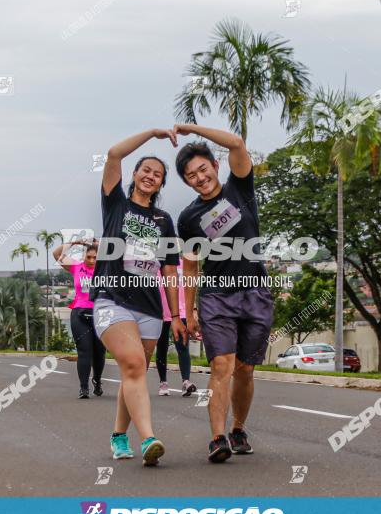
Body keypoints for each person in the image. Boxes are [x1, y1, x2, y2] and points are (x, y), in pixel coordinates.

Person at [174, 124, 273, 463]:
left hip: (255, 292)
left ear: (215, 166)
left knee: (245, 369)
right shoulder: (188, 218)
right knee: (222, 365)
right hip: (216, 297)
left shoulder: (240, 188)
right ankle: (217, 438)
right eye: (191, 175)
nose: (199, 177)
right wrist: (188, 312)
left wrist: (188, 128)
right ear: (187, 182)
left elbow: (236, 142)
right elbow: (189, 267)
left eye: (202, 169)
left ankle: (238, 428)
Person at [90, 128, 185, 466]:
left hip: (150, 309)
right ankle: (148, 439)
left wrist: (175, 316)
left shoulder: (164, 220)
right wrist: (153, 135)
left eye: (157, 175)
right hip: (111, 300)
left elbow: (170, 271)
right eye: (146, 170)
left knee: (134, 374)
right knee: (132, 365)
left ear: (160, 185)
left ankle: (119, 435)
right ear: (134, 174)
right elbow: (114, 153)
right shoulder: (115, 203)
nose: (150, 176)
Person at [53, 238, 106, 399]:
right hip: (79, 314)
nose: (91, 260)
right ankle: (84, 388)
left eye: (94, 257)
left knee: (99, 352)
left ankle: (97, 380)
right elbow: (56, 253)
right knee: (84, 352)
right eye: (88, 257)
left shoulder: (106, 269)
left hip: (101, 315)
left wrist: (100, 244)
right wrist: (76, 243)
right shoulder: (76, 267)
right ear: (84, 257)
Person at [153, 263, 197, 396]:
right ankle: (163, 382)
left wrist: (193, 309)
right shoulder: (158, 264)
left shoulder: (184, 264)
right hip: (161, 310)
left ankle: (186, 381)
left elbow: (189, 287)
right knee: (162, 346)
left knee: (183, 346)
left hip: (181, 311)